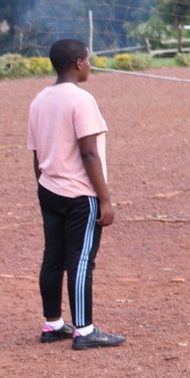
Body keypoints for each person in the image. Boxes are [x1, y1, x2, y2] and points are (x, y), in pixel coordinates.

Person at [28, 38, 125, 349]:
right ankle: (84, 330)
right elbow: (89, 154)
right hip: (79, 195)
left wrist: (44, 185)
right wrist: (104, 199)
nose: (91, 65)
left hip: (49, 188)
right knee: (81, 260)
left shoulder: (40, 99)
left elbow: (36, 152)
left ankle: (53, 323)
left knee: (53, 256)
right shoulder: (81, 100)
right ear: (78, 64)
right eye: (89, 59)